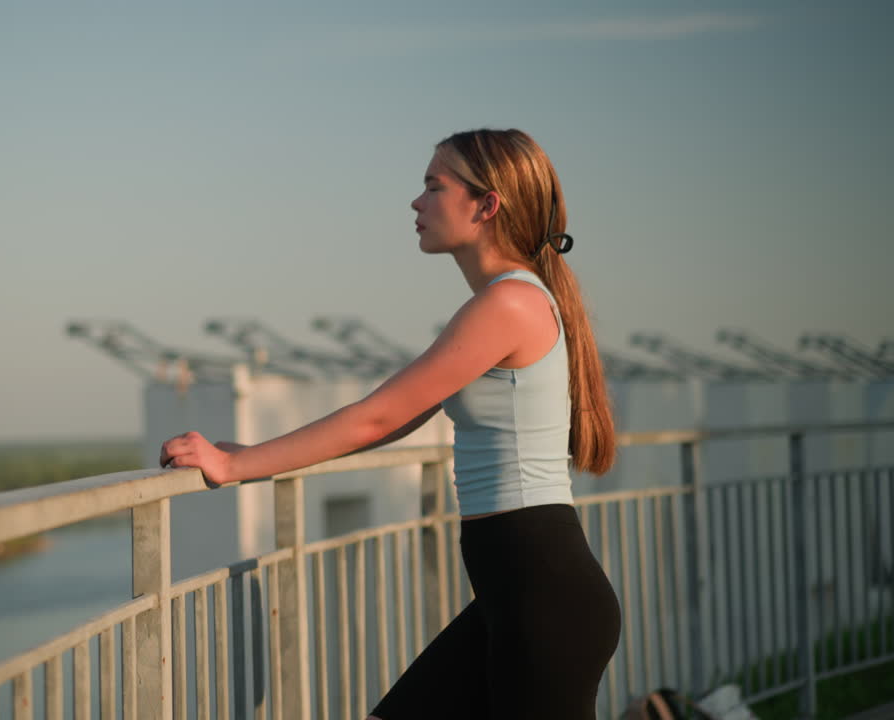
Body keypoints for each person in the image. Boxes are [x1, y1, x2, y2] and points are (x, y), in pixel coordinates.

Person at [160, 128, 622, 718]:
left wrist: (233, 466)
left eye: (434, 185)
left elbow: (375, 418)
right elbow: (397, 418)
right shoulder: (508, 301)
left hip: (544, 603)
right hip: (518, 597)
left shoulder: (509, 304)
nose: (417, 201)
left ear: (487, 205)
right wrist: (254, 453)